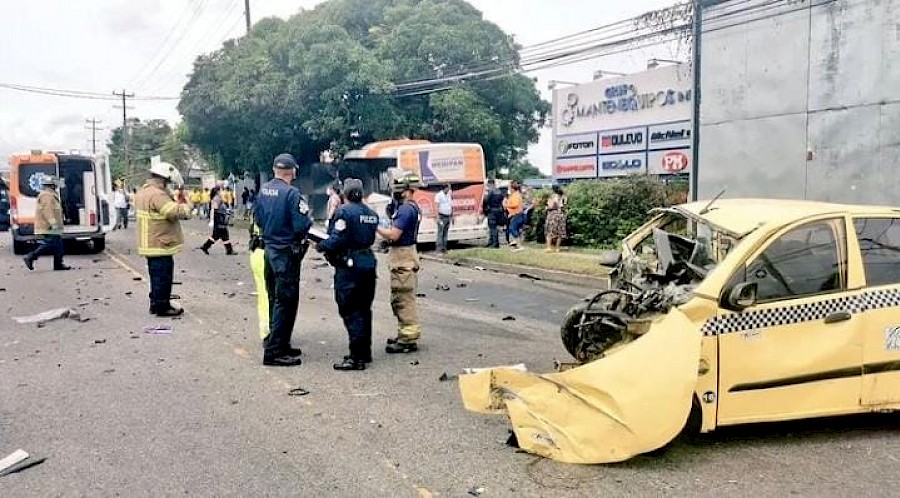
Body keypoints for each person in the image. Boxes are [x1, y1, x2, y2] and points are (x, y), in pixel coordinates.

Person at [254, 153, 313, 367]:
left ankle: (279, 342)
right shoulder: (291, 193)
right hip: (286, 254)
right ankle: (274, 352)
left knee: (274, 299)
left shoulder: (263, 190)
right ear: (293, 171)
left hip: (269, 250)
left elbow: (258, 219)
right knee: (286, 302)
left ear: (274, 170)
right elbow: (302, 224)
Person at [316, 178, 379, 371]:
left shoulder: (343, 212)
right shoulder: (371, 214)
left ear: (345, 194)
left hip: (350, 265)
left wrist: (320, 245)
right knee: (364, 309)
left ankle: (356, 357)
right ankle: (365, 352)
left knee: (350, 310)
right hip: (368, 261)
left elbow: (336, 238)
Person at [134, 161, 192, 317]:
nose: (168, 186)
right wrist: (187, 204)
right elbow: (175, 212)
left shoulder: (144, 192)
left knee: (156, 276)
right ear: (163, 179)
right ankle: (162, 307)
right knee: (163, 277)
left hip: (150, 242)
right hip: (159, 243)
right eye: (167, 182)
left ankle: (155, 303)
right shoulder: (157, 195)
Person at [377, 169, 423, 354]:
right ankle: (404, 333)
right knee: (401, 298)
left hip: (402, 256)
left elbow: (394, 235)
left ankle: (407, 340)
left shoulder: (405, 210)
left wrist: (376, 226)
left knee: (403, 299)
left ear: (404, 189)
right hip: (407, 254)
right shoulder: (411, 207)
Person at [23, 176, 70, 271]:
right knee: (51, 244)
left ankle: (58, 265)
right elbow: (48, 210)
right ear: (52, 185)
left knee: (59, 245)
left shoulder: (51, 195)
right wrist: (53, 223)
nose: (56, 186)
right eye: (55, 185)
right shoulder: (46, 196)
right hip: (49, 226)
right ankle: (30, 257)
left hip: (51, 226)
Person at [199, 186, 236, 255]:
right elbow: (214, 209)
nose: (222, 192)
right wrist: (213, 220)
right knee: (221, 234)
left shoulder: (218, 198)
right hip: (219, 219)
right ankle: (228, 250)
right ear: (217, 191)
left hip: (220, 219)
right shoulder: (216, 199)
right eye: (221, 190)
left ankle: (206, 246)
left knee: (219, 235)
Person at [482, 179, 505, 248]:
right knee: (493, 227)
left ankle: (495, 243)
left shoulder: (490, 192)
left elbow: (485, 201)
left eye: (488, 185)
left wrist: (485, 210)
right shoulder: (499, 191)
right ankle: (491, 242)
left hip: (492, 211)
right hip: (498, 211)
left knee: (492, 228)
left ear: (489, 184)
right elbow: (502, 200)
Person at [545, 185, 568, 252]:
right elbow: (564, 207)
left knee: (550, 231)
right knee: (560, 232)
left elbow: (552, 206)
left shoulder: (553, 196)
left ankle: (549, 247)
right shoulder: (564, 197)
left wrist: (547, 208)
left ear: (553, 189)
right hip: (561, 214)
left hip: (553, 215)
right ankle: (557, 248)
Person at [504, 181, 525, 251]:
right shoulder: (514, 194)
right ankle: (516, 244)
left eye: (509, 187)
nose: (508, 188)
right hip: (515, 214)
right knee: (514, 229)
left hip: (517, 214)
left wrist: (507, 205)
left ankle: (519, 245)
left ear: (512, 188)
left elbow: (515, 204)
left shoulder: (515, 195)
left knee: (512, 228)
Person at [434, 183, 453, 254]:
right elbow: (436, 206)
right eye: (449, 188)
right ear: (446, 188)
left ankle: (444, 249)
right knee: (440, 233)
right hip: (441, 216)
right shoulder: (439, 195)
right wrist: (437, 217)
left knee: (445, 233)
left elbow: (450, 205)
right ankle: (438, 249)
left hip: (448, 216)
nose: (450, 189)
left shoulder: (449, 195)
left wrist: (452, 216)